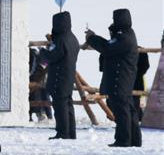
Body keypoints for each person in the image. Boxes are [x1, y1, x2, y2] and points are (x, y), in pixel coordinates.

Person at [86, 9, 140, 147]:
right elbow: (110, 45)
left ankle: (123, 140)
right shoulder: (126, 35)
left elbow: (107, 47)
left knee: (122, 109)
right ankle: (133, 139)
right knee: (127, 108)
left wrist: (92, 38)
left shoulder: (124, 37)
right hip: (123, 78)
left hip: (121, 78)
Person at [41, 11, 79, 139]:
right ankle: (71, 132)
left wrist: (43, 52)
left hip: (60, 77)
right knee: (68, 104)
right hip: (68, 76)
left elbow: (52, 56)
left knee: (60, 106)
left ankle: (63, 133)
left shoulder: (61, 40)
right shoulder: (73, 38)